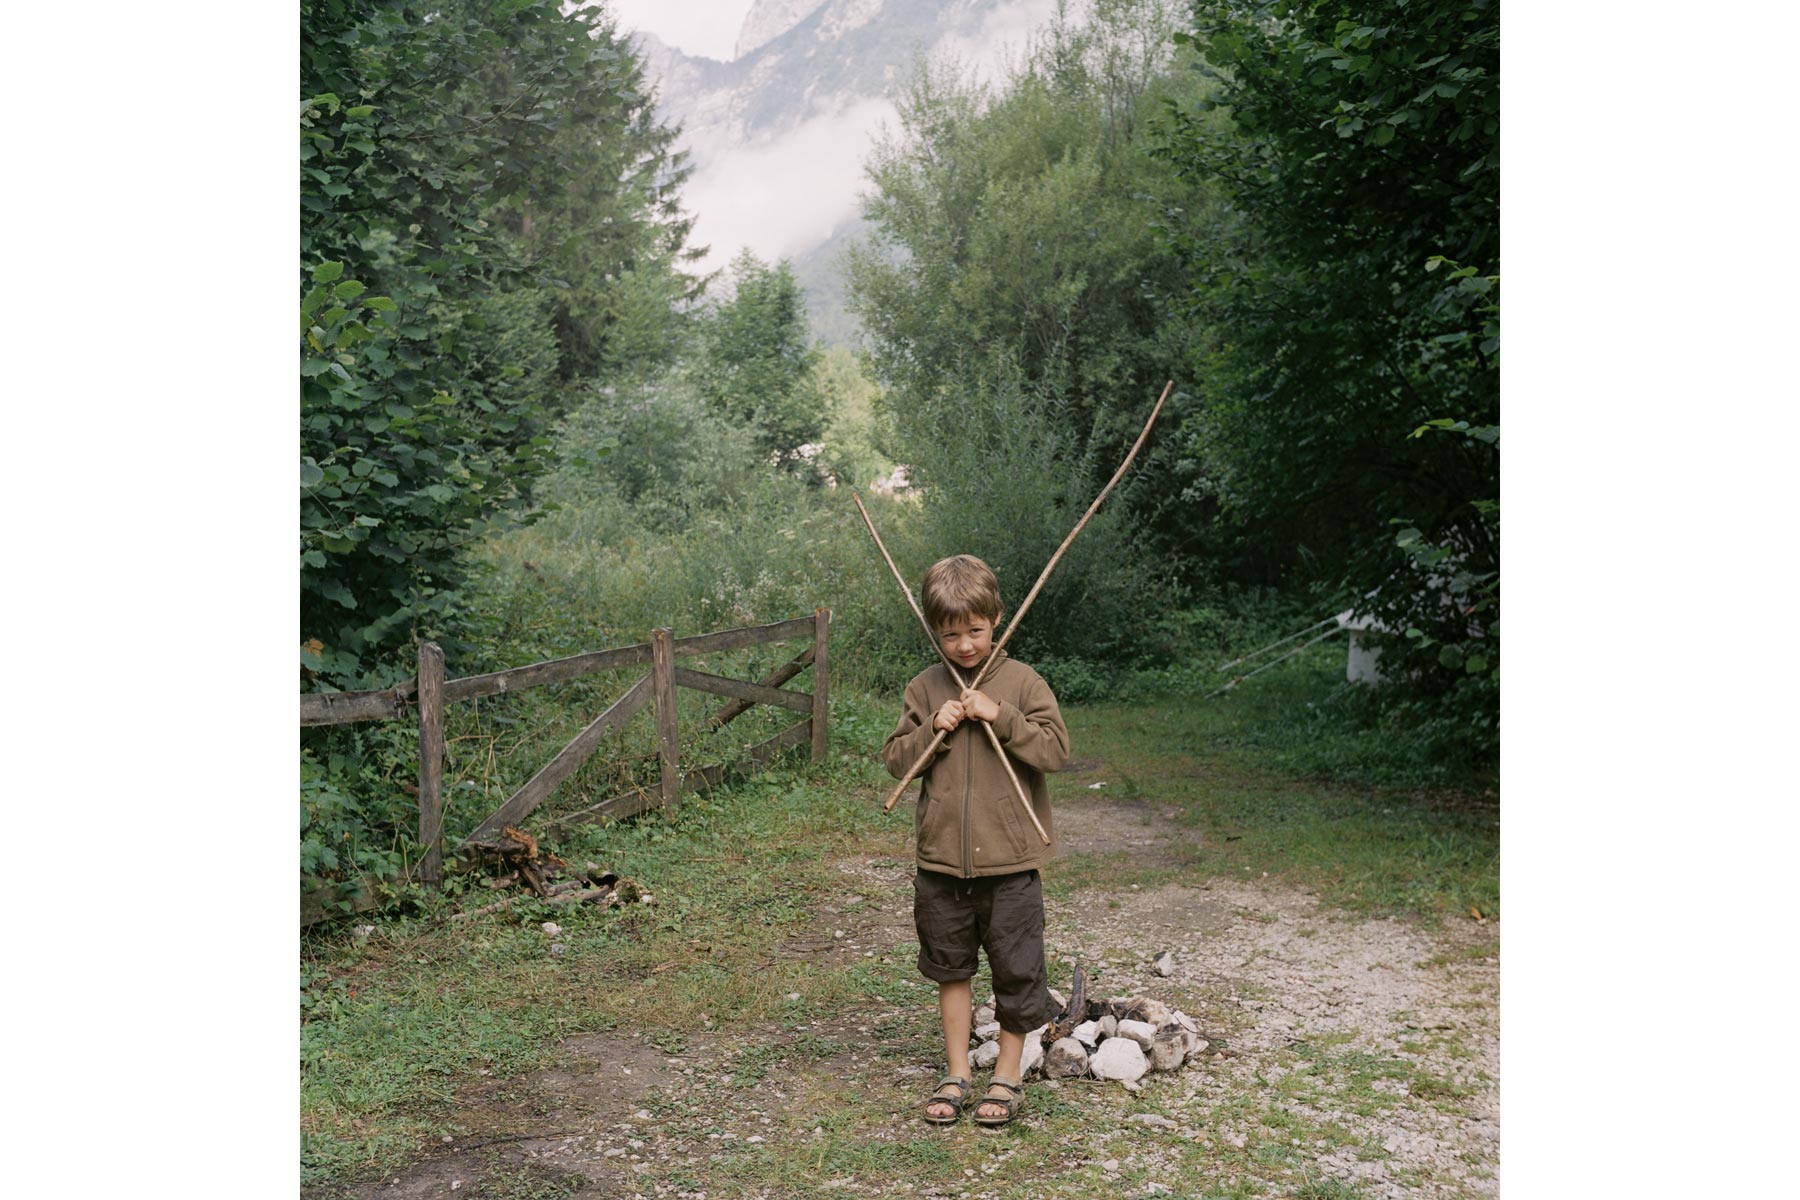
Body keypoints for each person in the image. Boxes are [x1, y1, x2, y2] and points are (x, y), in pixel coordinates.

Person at [881, 554, 1069, 1127]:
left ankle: (1007, 1075)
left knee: (1016, 970)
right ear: (933, 630)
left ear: (997, 618)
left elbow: (1055, 751)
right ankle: (958, 1071)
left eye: (976, 631)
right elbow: (895, 760)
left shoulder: (1022, 682)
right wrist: (931, 731)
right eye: (950, 634)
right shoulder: (924, 687)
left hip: (1011, 864)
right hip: (941, 864)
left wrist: (1000, 715)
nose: (964, 645)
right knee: (951, 968)